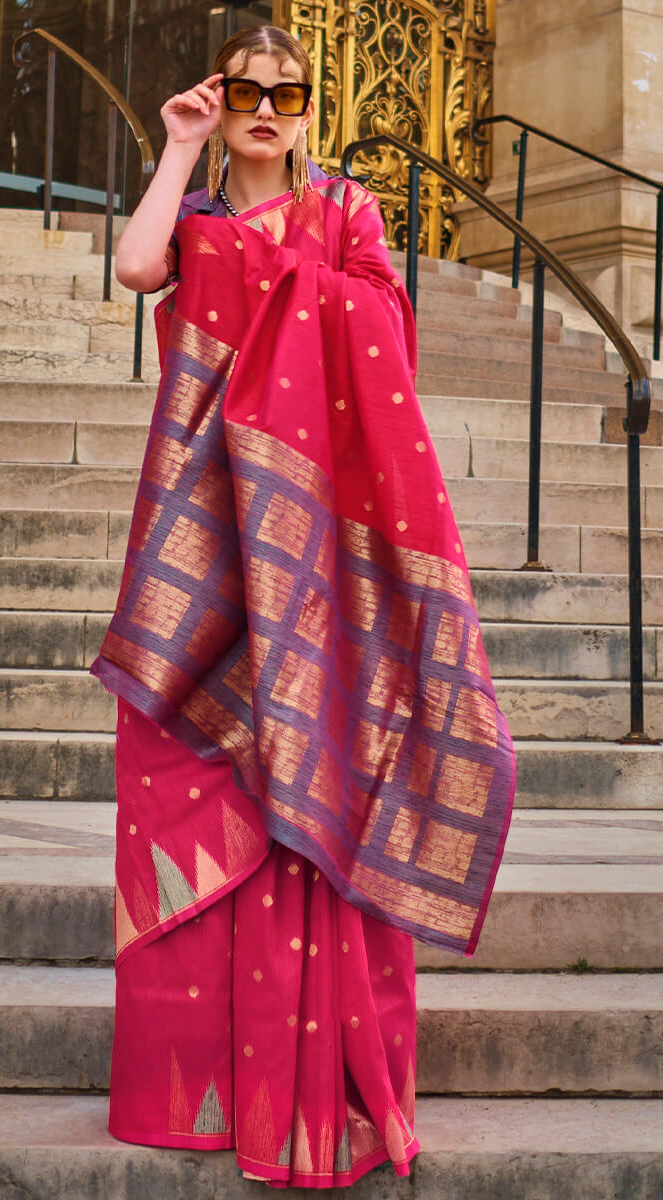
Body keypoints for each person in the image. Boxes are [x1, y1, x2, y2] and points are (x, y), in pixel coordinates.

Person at [91, 24, 515, 1190]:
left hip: (315, 537)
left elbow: (382, 329)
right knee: (188, 765)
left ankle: (307, 1085)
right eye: (243, 92)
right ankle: (203, 1086)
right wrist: (176, 152)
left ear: (312, 105)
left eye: (286, 93)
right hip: (203, 525)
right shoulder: (202, 218)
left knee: (312, 759)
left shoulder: (347, 214)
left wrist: (283, 282)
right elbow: (135, 271)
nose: (265, 109)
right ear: (217, 100)